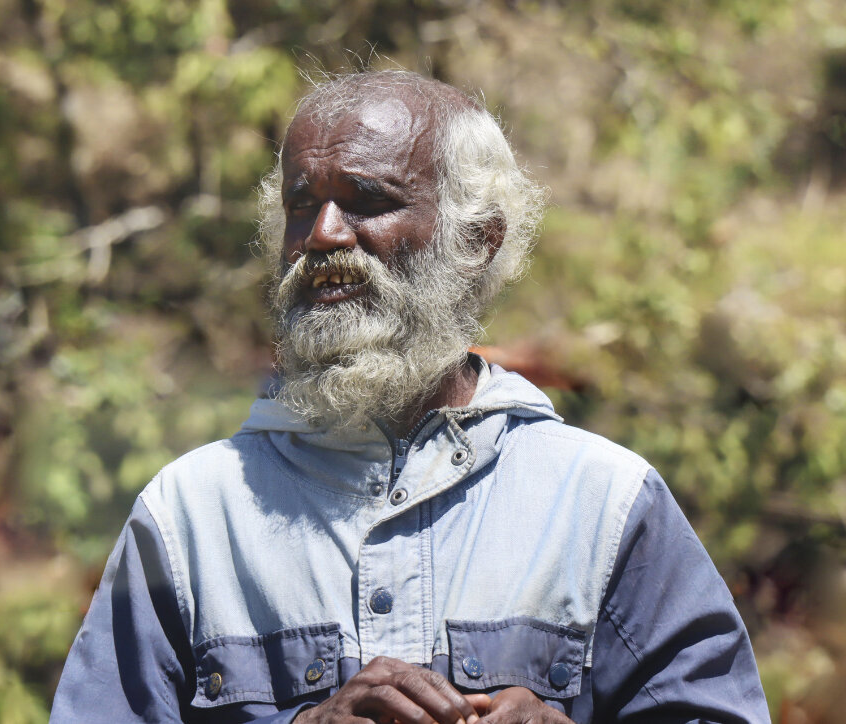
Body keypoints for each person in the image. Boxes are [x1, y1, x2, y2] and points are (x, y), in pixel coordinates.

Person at [51, 70, 770, 723]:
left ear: (478, 240)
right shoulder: (189, 518)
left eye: (368, 201)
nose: (324, 236)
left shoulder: (602, 504)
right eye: (303, 205)